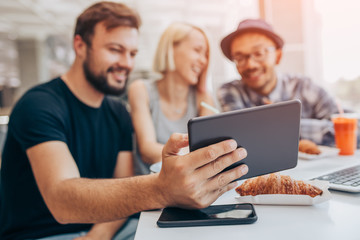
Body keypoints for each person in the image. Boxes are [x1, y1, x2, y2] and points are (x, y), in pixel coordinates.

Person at [0, 2, 249, 240]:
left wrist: (99, 235)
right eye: (115, 50)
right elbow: (62, 201)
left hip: (109, 229)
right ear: (80, 45)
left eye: (132, 53)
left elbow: (122, 187)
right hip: (44, 234)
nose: (126, 63)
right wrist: (162, 189)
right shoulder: (38, 104)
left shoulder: (117, 112)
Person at [217, 19, 339, 146]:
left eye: (259, 53)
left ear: (278, 56)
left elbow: (352, 129)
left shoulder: (305, 87)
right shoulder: (231, 91)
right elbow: (238, 137)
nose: (250, 65)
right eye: (239, 58)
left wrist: (283, 123)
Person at [128, 22, 215, 175]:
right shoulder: (141, 90)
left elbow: (210, 150)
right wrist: (195, 157)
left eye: (205, 54)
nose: (203, 60)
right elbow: (147, 150)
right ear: (171, 49)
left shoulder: (203, 98)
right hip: (150, 187)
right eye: (197, 50)